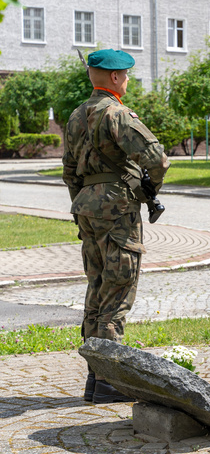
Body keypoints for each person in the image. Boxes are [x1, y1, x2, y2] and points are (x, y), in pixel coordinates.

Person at [62, 49, 170, 404]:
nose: (126, 80)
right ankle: (107, 379)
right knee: (119, 287)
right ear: (113, 78)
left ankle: (96, 377)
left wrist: (85, 202)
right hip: (117, 207)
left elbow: (68, 171)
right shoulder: (118, 114)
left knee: (96, 287)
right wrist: (146, 189)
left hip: (87, 206)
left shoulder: (76, 116)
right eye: (125, 75)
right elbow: (158, 159)